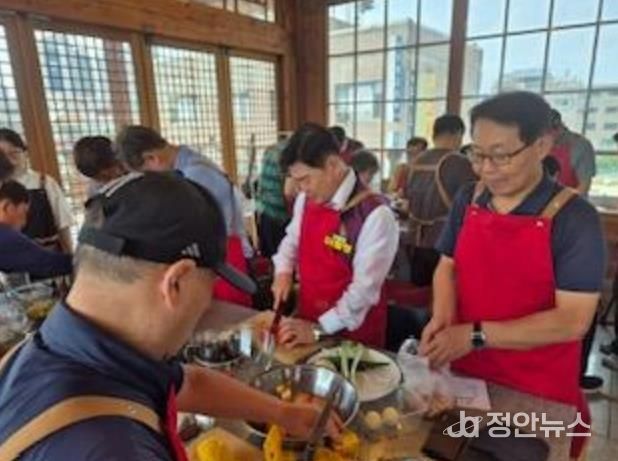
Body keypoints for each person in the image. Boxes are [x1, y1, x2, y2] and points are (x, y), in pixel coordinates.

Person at [0, 172, 340, 460]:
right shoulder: (117, 449)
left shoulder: (44, 351)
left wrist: (284, 413)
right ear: (176, 281)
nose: (205, 306)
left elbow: (185, 383)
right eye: (209, 289)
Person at [419, 92, 605, 458]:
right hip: (467, 374)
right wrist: (442, 318)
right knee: (448, 451)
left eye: (501, 155)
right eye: (478, 154)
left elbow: (573, 321)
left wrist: (475, 335)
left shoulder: (575, 218)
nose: (486, 169)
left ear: (541, 146)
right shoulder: (469, 199)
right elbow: (447, 267)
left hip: (536, 388)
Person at [272, 123, 399, 348]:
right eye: (296, 180)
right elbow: (291, 241)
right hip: (308, 320)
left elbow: (363, 291)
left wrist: (319, 330)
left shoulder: (375, 215)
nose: (301, 188)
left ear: (332, 165)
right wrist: (283, 271)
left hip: (353, 334)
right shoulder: (306, 200)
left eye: (306, 179)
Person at [116, 125, 253, 307]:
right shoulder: (186, 163)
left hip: (222, 255)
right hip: (212, 253)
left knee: (230, 314)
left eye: (147, 173)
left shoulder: (196, 174)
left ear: (152, 158)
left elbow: (207, 228)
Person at [405, 114, 476, 287]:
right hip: (445, 242)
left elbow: (408, 196)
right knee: (443, 295)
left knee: (418, 293)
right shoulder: (459, 162)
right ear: (457, 133)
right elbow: (473, 202)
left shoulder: (417, 160)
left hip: (416, 239)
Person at [0, 129, 72, 253]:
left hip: (47, 254)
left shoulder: (45, 182)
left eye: (14, 153)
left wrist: (70, 255)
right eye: (3, 155)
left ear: (25, 152)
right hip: (9, 257)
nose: (10, 160)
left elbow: (63, 224)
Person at [0, 180, 72, 279]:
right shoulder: (6, 237)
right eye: (24, 212)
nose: (24, 222)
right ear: (8, 207)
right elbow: (48, 264)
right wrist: (83, 260)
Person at [256, 135, 292, 258]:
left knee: (271, 256)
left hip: (265, 210)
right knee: (280, 254)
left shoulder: (271, 149)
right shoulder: (290, 153)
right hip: (280, 216)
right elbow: (288, 193)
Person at [549, 109, 596, 196]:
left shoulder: (580, 146)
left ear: (558, 128)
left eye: (546, 134)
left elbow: (583, 186)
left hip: (572, 200)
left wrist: (558, 202)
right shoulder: (539, 144)